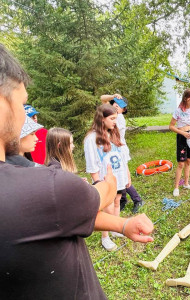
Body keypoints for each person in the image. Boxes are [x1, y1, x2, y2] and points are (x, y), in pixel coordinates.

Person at [0, 43, 153, 299]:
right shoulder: (48, 187)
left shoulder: (33, 184)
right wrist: (109, 181)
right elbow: (94, 196)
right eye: (22, 102)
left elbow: (60, 216)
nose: (29, 123)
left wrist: (123, 224)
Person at [84, 104, 132, 251]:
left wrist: (127, 175)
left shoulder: (114, 133)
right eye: (112, 118)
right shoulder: (92, 139)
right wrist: (99, 183)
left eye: (116, 118)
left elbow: (123, 158)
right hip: (104, 180)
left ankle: (115, 229)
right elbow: (92, 164)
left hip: (119, 176)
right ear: (102, 119)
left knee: (117, 201)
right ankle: (105, 238)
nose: (115, 122)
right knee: (107, 208)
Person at [101, 93, 143, 213]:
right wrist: (112, 96)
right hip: (112, 150)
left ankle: (137, 199)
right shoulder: (112, 114)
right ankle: (122, 200)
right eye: (115, 103)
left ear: (124, 110)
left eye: (120, 106)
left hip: (119, 150)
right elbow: (102, 99)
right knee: (116, 175)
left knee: (123, 176)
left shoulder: (118, 118)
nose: (116, 107)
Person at [169, 89, 190, 197]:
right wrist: (182, 133)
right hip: (182, 137)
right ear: (185, 98)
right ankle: (176, 187)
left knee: (188, 161)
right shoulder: (178, 111)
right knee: (181, 163)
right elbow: (171, 126)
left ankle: (186, 183)